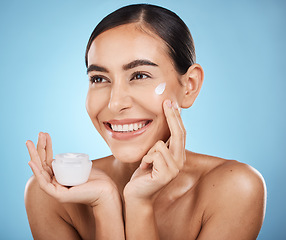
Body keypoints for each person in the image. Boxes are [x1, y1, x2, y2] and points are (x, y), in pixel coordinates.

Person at [25, 4, 266, 240]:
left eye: (140, 75)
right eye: (99, 78)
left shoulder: (235, 189)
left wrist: (140, 204)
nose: (115, 103)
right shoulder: (51, 194)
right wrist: (104, 203)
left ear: (189, 86)